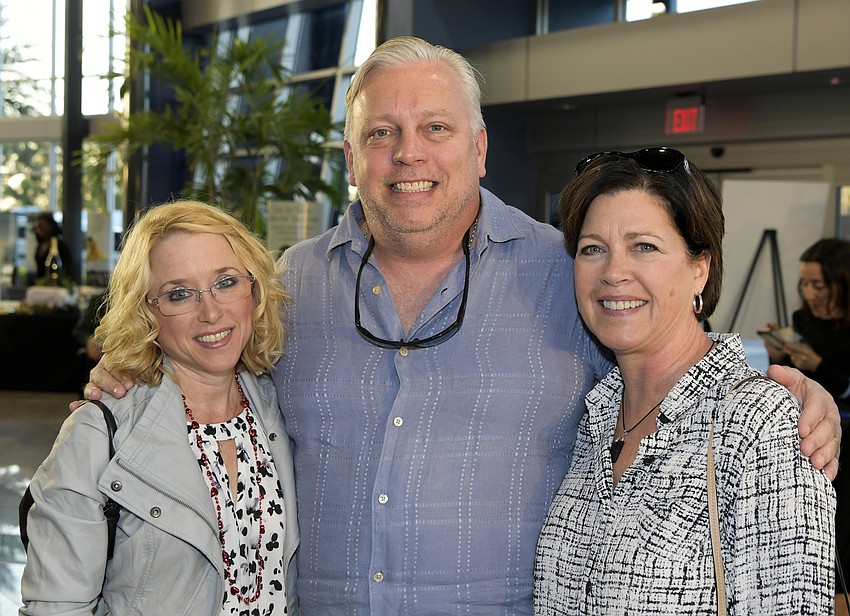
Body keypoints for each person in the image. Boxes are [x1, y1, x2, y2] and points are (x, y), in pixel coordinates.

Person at [84, 37, 841, 615]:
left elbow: (667, 337)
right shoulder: (287, 285)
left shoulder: (565, 272)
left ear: (479, 148)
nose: (408, 153)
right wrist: (132, 380)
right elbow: (205, 382)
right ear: (351, 158)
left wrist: (786, 389)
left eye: (436, 127)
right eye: (382, 134)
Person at [534, 148, 836, 614]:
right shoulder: (593, 419)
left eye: (645, 247)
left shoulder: (759, 426)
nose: (613, 272)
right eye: (593, 248)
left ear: (701, 267)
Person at [21, 199, 299, 614]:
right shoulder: (98, 434)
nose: (211, 312)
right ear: (145, 311)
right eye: (179, 294)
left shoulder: (281, 405)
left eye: (226, 282)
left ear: (254, 287)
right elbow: (56, 606)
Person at [762, 237, 850, 604]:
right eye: (804, 284)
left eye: (818, 284)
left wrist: (819, 366)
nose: (809, 292)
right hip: (808, 438)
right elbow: (799, 385)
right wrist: (780, 356)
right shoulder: (802, 321)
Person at [33, 211, 75, 283]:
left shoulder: (61, 247)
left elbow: (67, 269)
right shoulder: (40, 246)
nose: (39, 230)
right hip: (42, 284)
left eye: (41, 226)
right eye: (38, 227)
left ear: (50, 226)